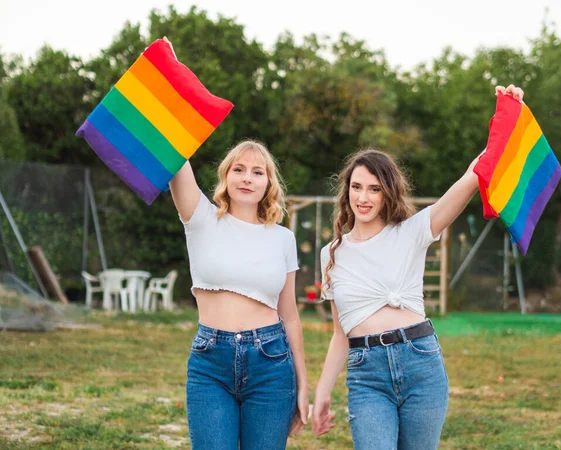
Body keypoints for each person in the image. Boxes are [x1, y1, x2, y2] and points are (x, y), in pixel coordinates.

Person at [311, 86, 524, 449]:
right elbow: (339, 333)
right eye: (357, 187)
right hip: (367, 376)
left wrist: (509, 116)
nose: (363, 197)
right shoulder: (332, 253)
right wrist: (322, 392)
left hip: (420, 362)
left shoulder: (411, 232)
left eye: (374, 189)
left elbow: (472, 177)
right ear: (346, 190)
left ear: (387, 193)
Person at [170, 140, 309, 449]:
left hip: (271, 364)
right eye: (239, 169)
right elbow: (173, 157)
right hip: (210, 363)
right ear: (226, 177)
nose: (247, 178)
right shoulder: (201, 219)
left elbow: (290, 316)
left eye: (257, 172)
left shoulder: (283, 239)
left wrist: (303, 383)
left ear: (268, 183)